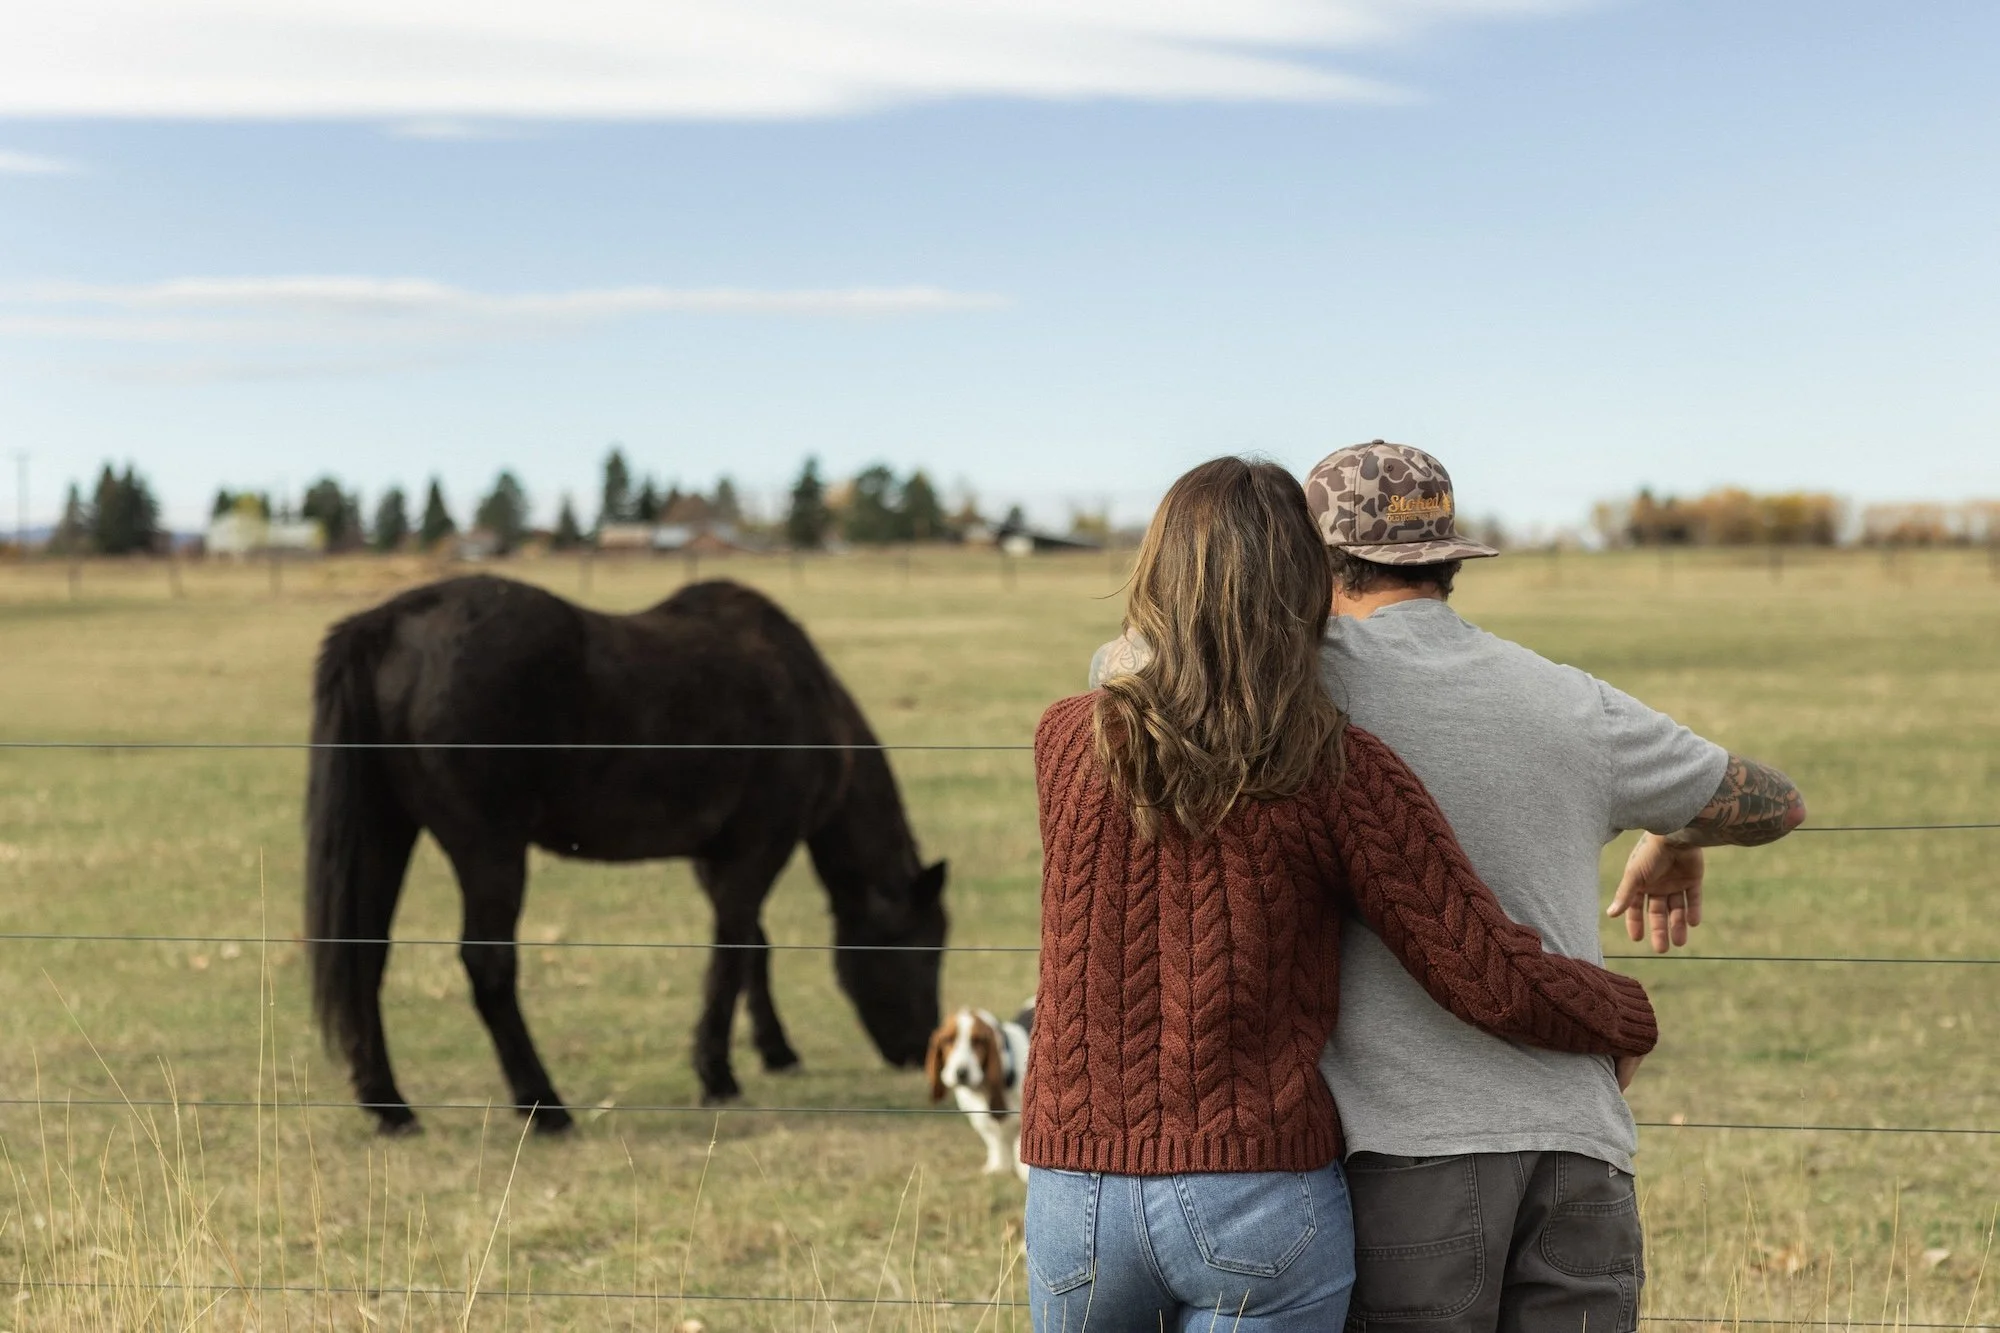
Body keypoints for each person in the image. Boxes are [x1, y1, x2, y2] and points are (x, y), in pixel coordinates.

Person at [1093, 441, 1806, 1332]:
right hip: (1582, 1148)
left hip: (1406, 1159)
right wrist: (1677, 824)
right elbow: (1777, 802)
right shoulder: (1570, 701)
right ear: (1450, 554)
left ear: (1312, 557)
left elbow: (1119, 670)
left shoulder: (1284, 687)